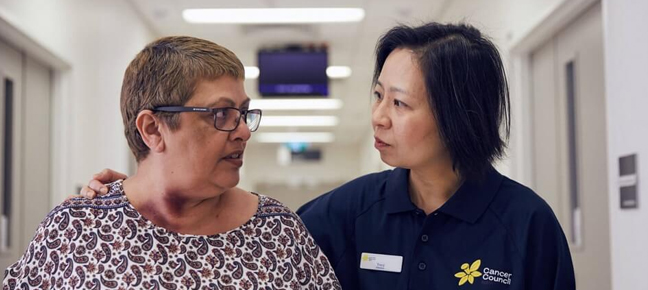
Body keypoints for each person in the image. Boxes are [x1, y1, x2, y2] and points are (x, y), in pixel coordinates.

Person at [79, 23, 575, 290]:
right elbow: (248, 246)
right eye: (377, 95)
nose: (378, 117)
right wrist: (143, 198)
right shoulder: (347, 214)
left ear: (459, 116)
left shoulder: (526, 225)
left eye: (399, 104)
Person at [2, 36, 341, 290]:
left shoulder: (278, 232)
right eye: (221, 114)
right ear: (153, 129)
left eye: (242, 114)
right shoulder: (77, 231)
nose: (242, 132)